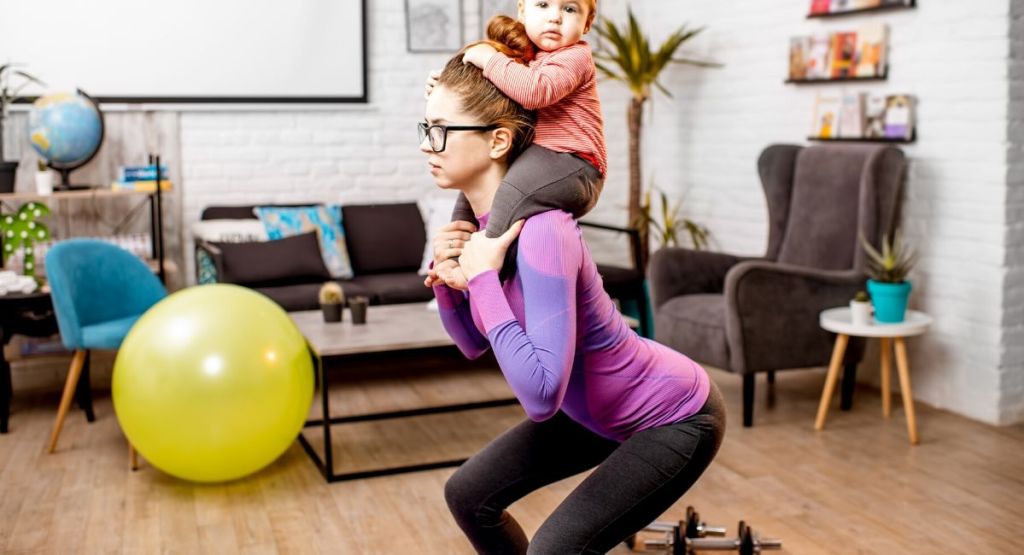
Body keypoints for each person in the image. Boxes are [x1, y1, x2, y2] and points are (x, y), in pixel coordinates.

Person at [420, 30, 726, 555]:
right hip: (595, 414)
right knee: (468, 495)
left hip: (673, 415)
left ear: (497, 140)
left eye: (443, 130)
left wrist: (485, 280)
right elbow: (472, 344)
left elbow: (541, 397)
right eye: (426, 128)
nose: (428, 145)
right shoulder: (484, 229)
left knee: (553, 550)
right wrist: (450, 280)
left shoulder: (543, 230)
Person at [425, 0, 606, 286]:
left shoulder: (575, 57)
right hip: (542, 156)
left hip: (574, 162)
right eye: (543, 5)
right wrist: (444, 90)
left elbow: (535, 91)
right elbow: (499, 94)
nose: (555, 18)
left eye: (569, 9)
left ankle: (487, 267)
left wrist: (487, 58)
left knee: (511, 191)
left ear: (587, 24)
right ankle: (455, 257)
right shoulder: (532, 57)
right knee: (469, 196)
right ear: (522, 10)